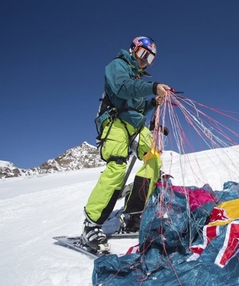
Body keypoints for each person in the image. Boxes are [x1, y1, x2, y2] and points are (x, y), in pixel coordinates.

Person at [81, 36, 171, 251]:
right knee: (117, 166)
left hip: (135, 125)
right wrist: (153, 87)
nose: (144, 61)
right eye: (142, 54)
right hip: (115, 123)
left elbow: (138, 110)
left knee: (154, 160)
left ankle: (133, 214)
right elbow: (121, 89)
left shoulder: (138, 81)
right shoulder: (117, 66)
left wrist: (151, 103)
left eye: (149, 59)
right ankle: (91, 225)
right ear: (133, 50)